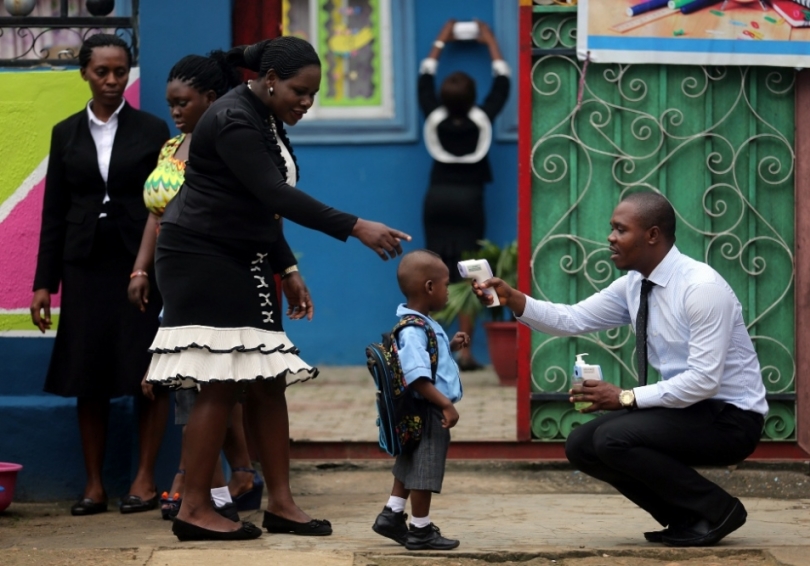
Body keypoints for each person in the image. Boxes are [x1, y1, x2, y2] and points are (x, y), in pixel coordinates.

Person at [143, 36, 411, 542]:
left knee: (267, 378)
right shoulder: (233, 117)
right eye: (299, 91)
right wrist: (356, 226)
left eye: (312, 94)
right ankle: (195, 507)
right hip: (200, 256)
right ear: (268, 80)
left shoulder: (261, 114)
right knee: (219, 380)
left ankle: (281, 503)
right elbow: (273, 194)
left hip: (240, 253)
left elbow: (258, 207)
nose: (305, 102)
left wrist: (286, 268)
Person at [473, 192, 767, 547]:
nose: (610, 238)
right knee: (581, 444)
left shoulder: (700, 288)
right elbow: (573, 317)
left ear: (652, 235)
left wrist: (625, 397)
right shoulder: (633, 285)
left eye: (620, 229)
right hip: (690, 409)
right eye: (611, 228)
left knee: (613, 439)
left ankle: (718, 510)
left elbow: (705, 380)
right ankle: (686, 518)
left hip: (731, 418)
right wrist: (515, 299)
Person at [30, 33, 171, 516]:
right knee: (87, 371)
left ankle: (144, 479)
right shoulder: (65, 132)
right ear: (84, 74)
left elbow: (165, 204)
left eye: (120, 72)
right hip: (84, 266)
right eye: (102, 72)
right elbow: (54, 211)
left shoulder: (153, 131)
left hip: (140, 266)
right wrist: (43, 282)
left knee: (146, 369)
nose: (112, 81)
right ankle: (94, 485)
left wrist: (151, 266)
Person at [128, 51, 262, 520]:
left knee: (204, 379)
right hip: (171, 274)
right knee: (196, 379)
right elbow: (155, 213)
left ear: (210, 99)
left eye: (183, 102)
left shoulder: (225, 145)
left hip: (208, 272)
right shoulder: (170, 148)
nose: (176, 111)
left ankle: (200, 481)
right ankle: (231, 479)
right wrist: (140, 270)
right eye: (170, 103)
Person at [419, 19, 510, 371]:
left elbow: (424, 79)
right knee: (471, 270)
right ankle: (466, 352)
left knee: (434, 269)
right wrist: (490, 41)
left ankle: (431, 348)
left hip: (437, 199)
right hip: (469, 200)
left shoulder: (434, 119)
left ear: (443, 98)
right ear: (473, 99)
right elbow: (502, 83)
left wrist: (440, 40)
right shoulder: (482, 119)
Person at [371, 249, 468, 551]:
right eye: (446, 284)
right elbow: (417, 376)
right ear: (429, 287)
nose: (448, 292)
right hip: (427, 410)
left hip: (421, 409)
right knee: (424, 470)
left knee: (410, 461)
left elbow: (428, 361)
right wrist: (445, 404)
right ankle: (421, 530)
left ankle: (392, 513)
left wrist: (449, 346)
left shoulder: (421, 323)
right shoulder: (414, 329)